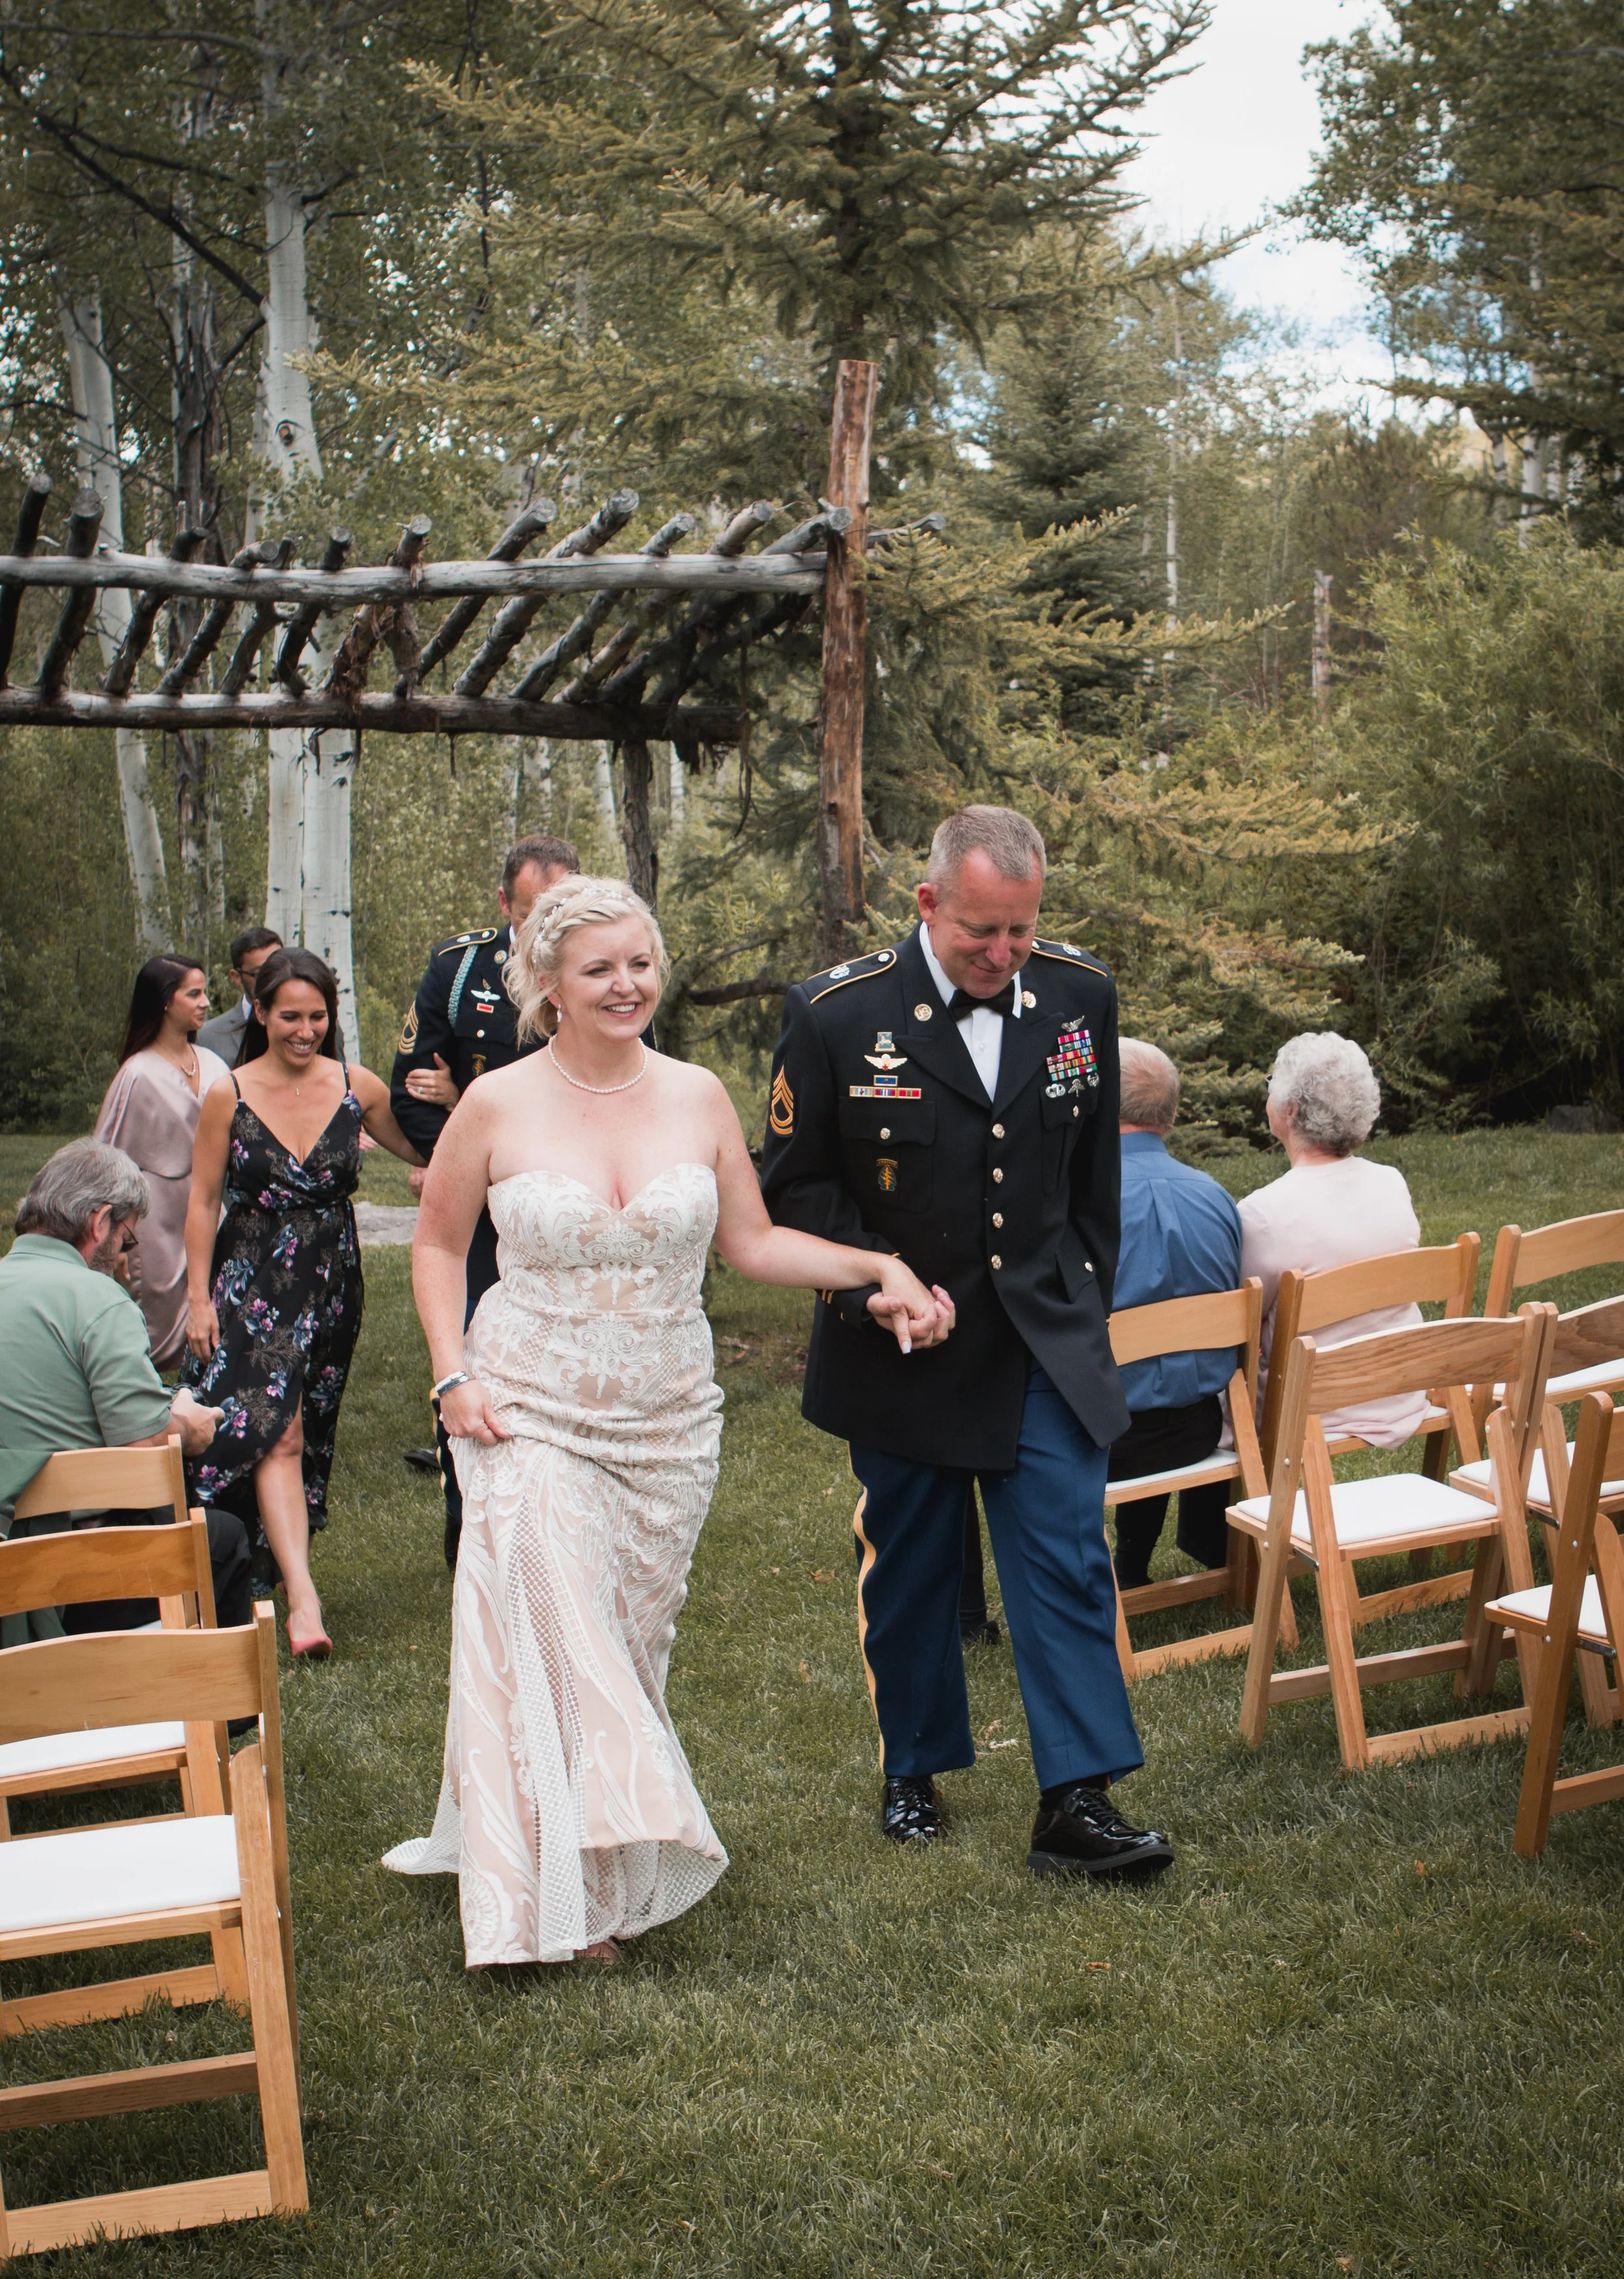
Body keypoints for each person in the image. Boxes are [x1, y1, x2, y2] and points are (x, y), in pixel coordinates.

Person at [384, 874, 949, 1968]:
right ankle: (568, 1907)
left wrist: (876, 1263)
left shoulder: (697, 1095)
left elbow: (753, 1243)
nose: (628, 983)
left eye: (641, 962)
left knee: (624, 1649)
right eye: (600, 967)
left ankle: (569, 1845)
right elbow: (439, 1242)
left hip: (666, 1422)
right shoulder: (496, 1102)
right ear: (548, 983)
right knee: (560, 1634)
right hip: (526, 1403)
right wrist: (452, 1377)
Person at [761, 805, 1174, 1880]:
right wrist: (874, 1291)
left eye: (1022, 932)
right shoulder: (835, 1015)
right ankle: (915, 1767)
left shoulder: (1081, 995)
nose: (1002, 954)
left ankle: (1076, 1800)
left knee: (1067, 1556)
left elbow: (1095, 1179)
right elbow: (795, 1189)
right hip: (901, 1346)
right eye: (981, 931)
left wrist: (1079, 1291)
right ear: (928, 902)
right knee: (912, 1566)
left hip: (1042, 1337)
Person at [183, 948, 423, 1659]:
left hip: (330, 1279)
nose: (305, 1029)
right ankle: (304, 1598)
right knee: (272, 1429)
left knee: (306, 1426)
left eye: (318, 1016)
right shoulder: (228, 1090)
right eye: (290, 1015)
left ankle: (259, 1563)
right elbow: (200, 1199)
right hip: (249, 1278)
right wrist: (196, 1297)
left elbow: (427, 1150)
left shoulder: (358, 1088)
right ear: (259, 1013)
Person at [390, 833, 580, 1565]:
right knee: (470, 1353)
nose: (545, 929)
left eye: (560, 909)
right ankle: (468, 1533)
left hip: (565, 1207)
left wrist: (464, 1097)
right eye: (533, 912)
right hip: (477, 1212)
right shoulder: (458, 964)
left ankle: (555, 1528)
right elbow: (412, 1083)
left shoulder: (601, 965)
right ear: (505, 903)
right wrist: (455, 1161)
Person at [0, 1139, 243, 1647]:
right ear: (99, 1223)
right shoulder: (96, 1301)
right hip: (55, 1584)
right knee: (223, 1538)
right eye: (128, 1241)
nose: (127, 1259)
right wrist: (185, 1425)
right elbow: (142, 1452)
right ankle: (211, 1715)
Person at [1239, 1031, 1425, 1447]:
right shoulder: (1391, 1184)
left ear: (1291, 1109)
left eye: (1272, 1082)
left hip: (1305, 1403)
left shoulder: (1263, 1213)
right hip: (1399, 1387)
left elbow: (1241, 1325)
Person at [1108, 1039, 1245, 1590]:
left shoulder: (1078, 1204)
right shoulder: (1217, 1197)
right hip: (1199, 1431)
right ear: (1172, 1112)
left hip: (1104, 1447)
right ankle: (1132, 1564)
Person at [92, 954, 232, 1365]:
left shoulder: (214, 1065)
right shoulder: (137, 1073)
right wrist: (111, 1238)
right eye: (194, 993)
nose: (206, 1002)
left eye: (205, 991)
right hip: (155, 1220)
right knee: (155, 1317)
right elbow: (106, 1157)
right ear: (166, 1002)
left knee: (216, 1303)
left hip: (213, 1207)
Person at [197, 927, 284, 1067]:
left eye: (279, 969)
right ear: (236, 977)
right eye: (260, 973)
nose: (273, 979)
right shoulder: (208, 1037)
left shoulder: (312, 1027)